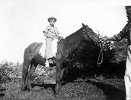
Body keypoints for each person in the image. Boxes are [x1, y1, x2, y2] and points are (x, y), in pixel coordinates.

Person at [108, 6, 131, 100]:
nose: (127, 15)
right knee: (128, 75)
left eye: (129, 13)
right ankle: (128, 97)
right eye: (127, 13)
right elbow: (119, 36)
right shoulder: (128, 25)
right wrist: (108, 38)